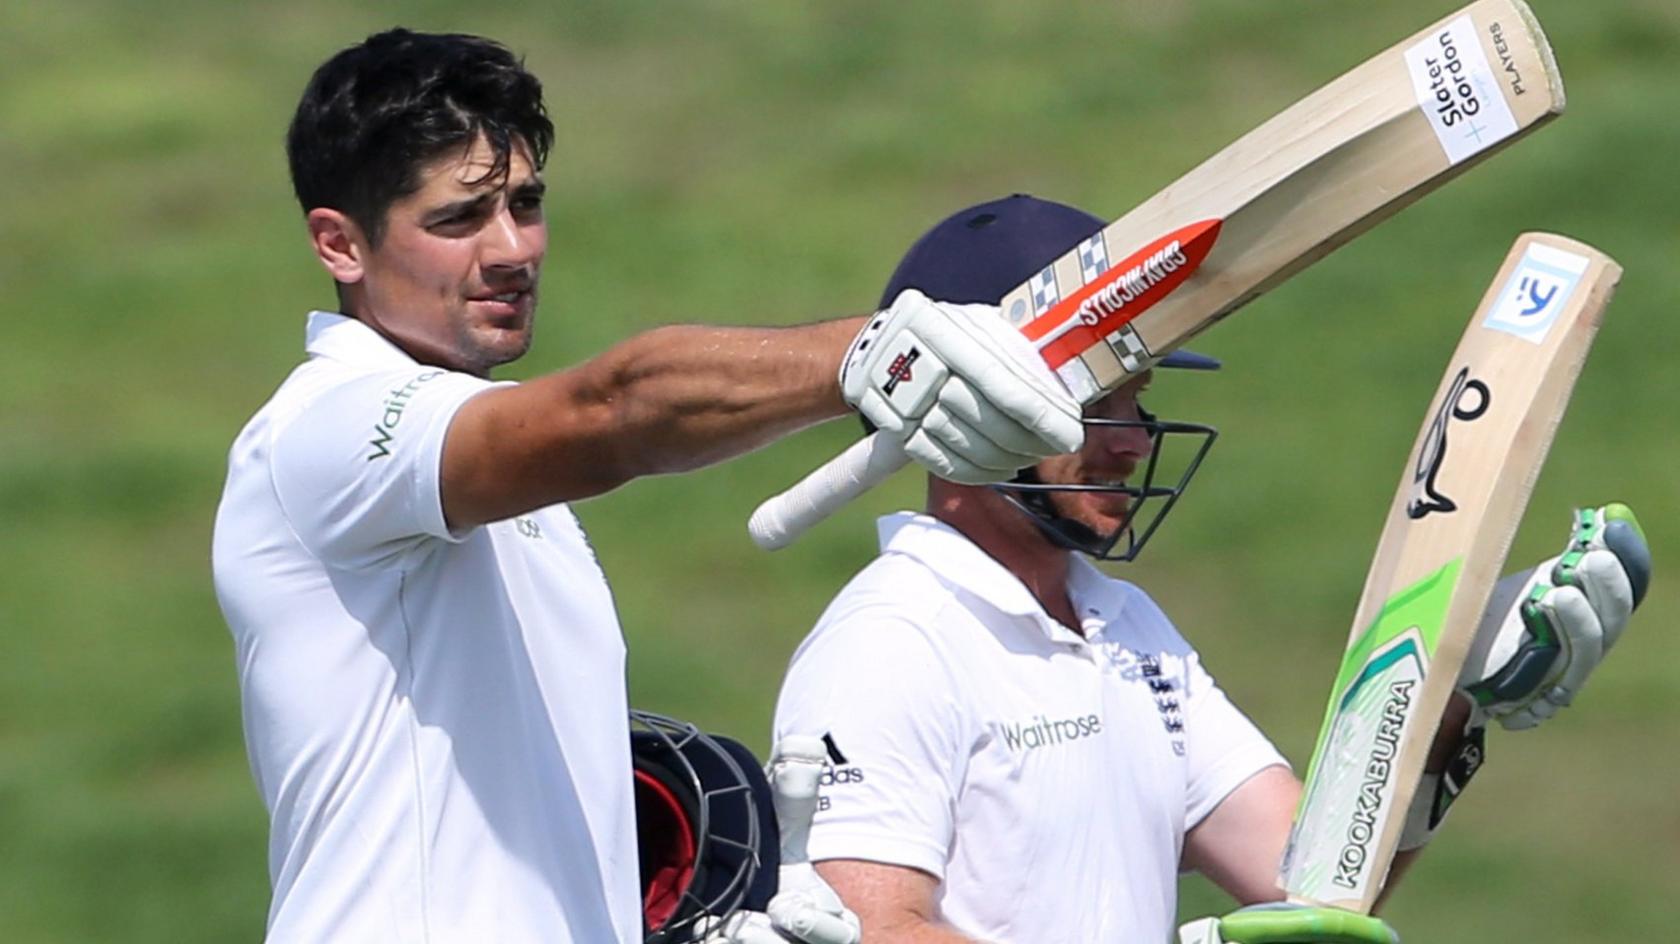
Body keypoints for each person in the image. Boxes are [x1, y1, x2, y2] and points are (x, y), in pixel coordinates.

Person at [210, 31, 1087, 944]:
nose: (514, 248)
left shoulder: (484, 471)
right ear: (339, 244)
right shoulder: (329, 426)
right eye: (460, 218)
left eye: (526, 202)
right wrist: (880, 351)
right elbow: (619, 407)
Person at [770, 194, 1651, 944]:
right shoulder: (892, 642)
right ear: (954, 415)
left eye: (1139, 397)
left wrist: (1455, 705)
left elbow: (1312, 884)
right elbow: (873, 931)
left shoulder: (1127, 626)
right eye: (1086, 402)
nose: (1131, 440)